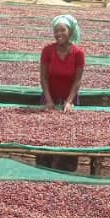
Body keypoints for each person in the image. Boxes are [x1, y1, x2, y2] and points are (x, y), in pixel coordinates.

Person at [37, 14, 85, 172]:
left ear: (70, 31)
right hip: (49, 95)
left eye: (62, 30)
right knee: (45, 131)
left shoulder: (78, 53)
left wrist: (69, 101)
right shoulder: (47, 51)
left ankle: (66, 167)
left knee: (68, 132)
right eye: (56, 31)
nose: (59, 34)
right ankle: (44, 165)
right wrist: (49, 100)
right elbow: (43, 77)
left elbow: (77, 80)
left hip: (70, 97)